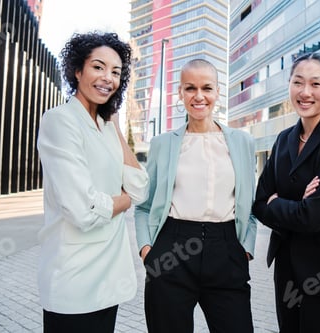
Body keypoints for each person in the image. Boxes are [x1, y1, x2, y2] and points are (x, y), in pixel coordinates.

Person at [36, 32, 149, 333]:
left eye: (115, 72)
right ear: (77, 70)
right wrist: (123, 200)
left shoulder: (106, 126)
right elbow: (82, 209)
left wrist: (113, 123)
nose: (107, 78)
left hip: (107, 282)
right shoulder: (59, 121)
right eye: (98, 67)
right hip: (73, 281)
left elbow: (141, 186)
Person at [135, 58, 257, 333]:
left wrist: (246, 249)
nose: (199, 96)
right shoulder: (162, 144)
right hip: (172, 249)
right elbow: (143, 206)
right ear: (180, 93)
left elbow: (250, 204)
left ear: (217, 92)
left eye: (207, 88)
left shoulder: (242, 142)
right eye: (190, 88)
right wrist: (147, 251)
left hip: (226, 249)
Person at [252, 52, 320, 333]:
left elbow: (313, 216)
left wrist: (279, 203)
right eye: (298, 83)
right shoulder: (284, 138)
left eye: (315, 84)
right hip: (287, 268)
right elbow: (259, 203)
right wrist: (295, 205)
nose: (305, 92)